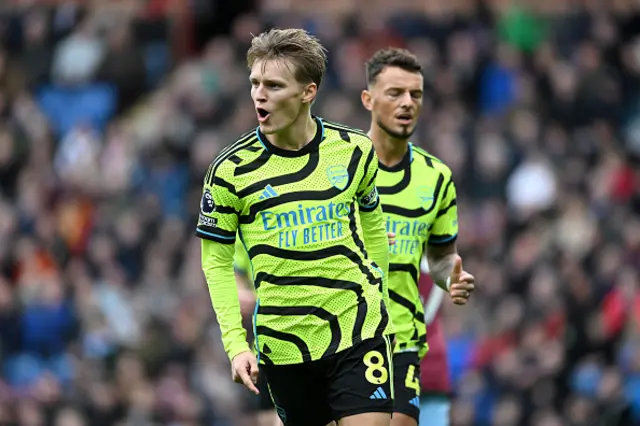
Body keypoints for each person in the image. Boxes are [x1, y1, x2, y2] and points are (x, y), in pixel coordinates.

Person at [196, 28, 394, 426]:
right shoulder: (229, 172)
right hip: (283, 347)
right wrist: (236, 346)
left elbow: (374, 229)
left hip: (358, 329)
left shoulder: (355, 151)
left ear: (308, 92)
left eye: (273, 85)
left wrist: (384, 295)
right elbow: (215, 264)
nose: (258, 94)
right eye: (254, 83)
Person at [361, 47, 475, 426]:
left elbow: (441, 259)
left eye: (416, 94)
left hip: (409, 345)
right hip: (347, 343)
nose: (407, 103)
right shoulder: (337, 169)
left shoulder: (436, 177)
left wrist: (450, 277)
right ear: (369, 99)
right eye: (395, 93)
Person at [233, 239, 281, 426]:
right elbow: (233, 272)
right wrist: (243, 293)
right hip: (265, 346)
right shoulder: (247, 226)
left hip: (313, 341)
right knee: (267, 418)